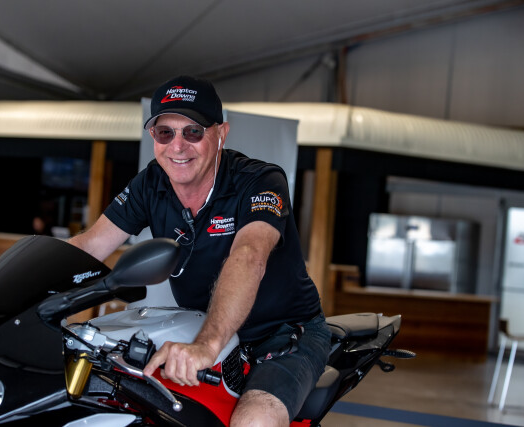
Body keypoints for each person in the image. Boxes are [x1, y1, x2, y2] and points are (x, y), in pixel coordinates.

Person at [69, 75, 330, 426]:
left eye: (193, 132)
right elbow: (88, 245)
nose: (177, 146)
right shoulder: (151, 183)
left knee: (254, 421)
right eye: (165, 133)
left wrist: (207, 345)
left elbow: (249, 255)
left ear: (221, 133)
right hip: (201, 325)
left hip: (282, 333)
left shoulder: (259, 181)